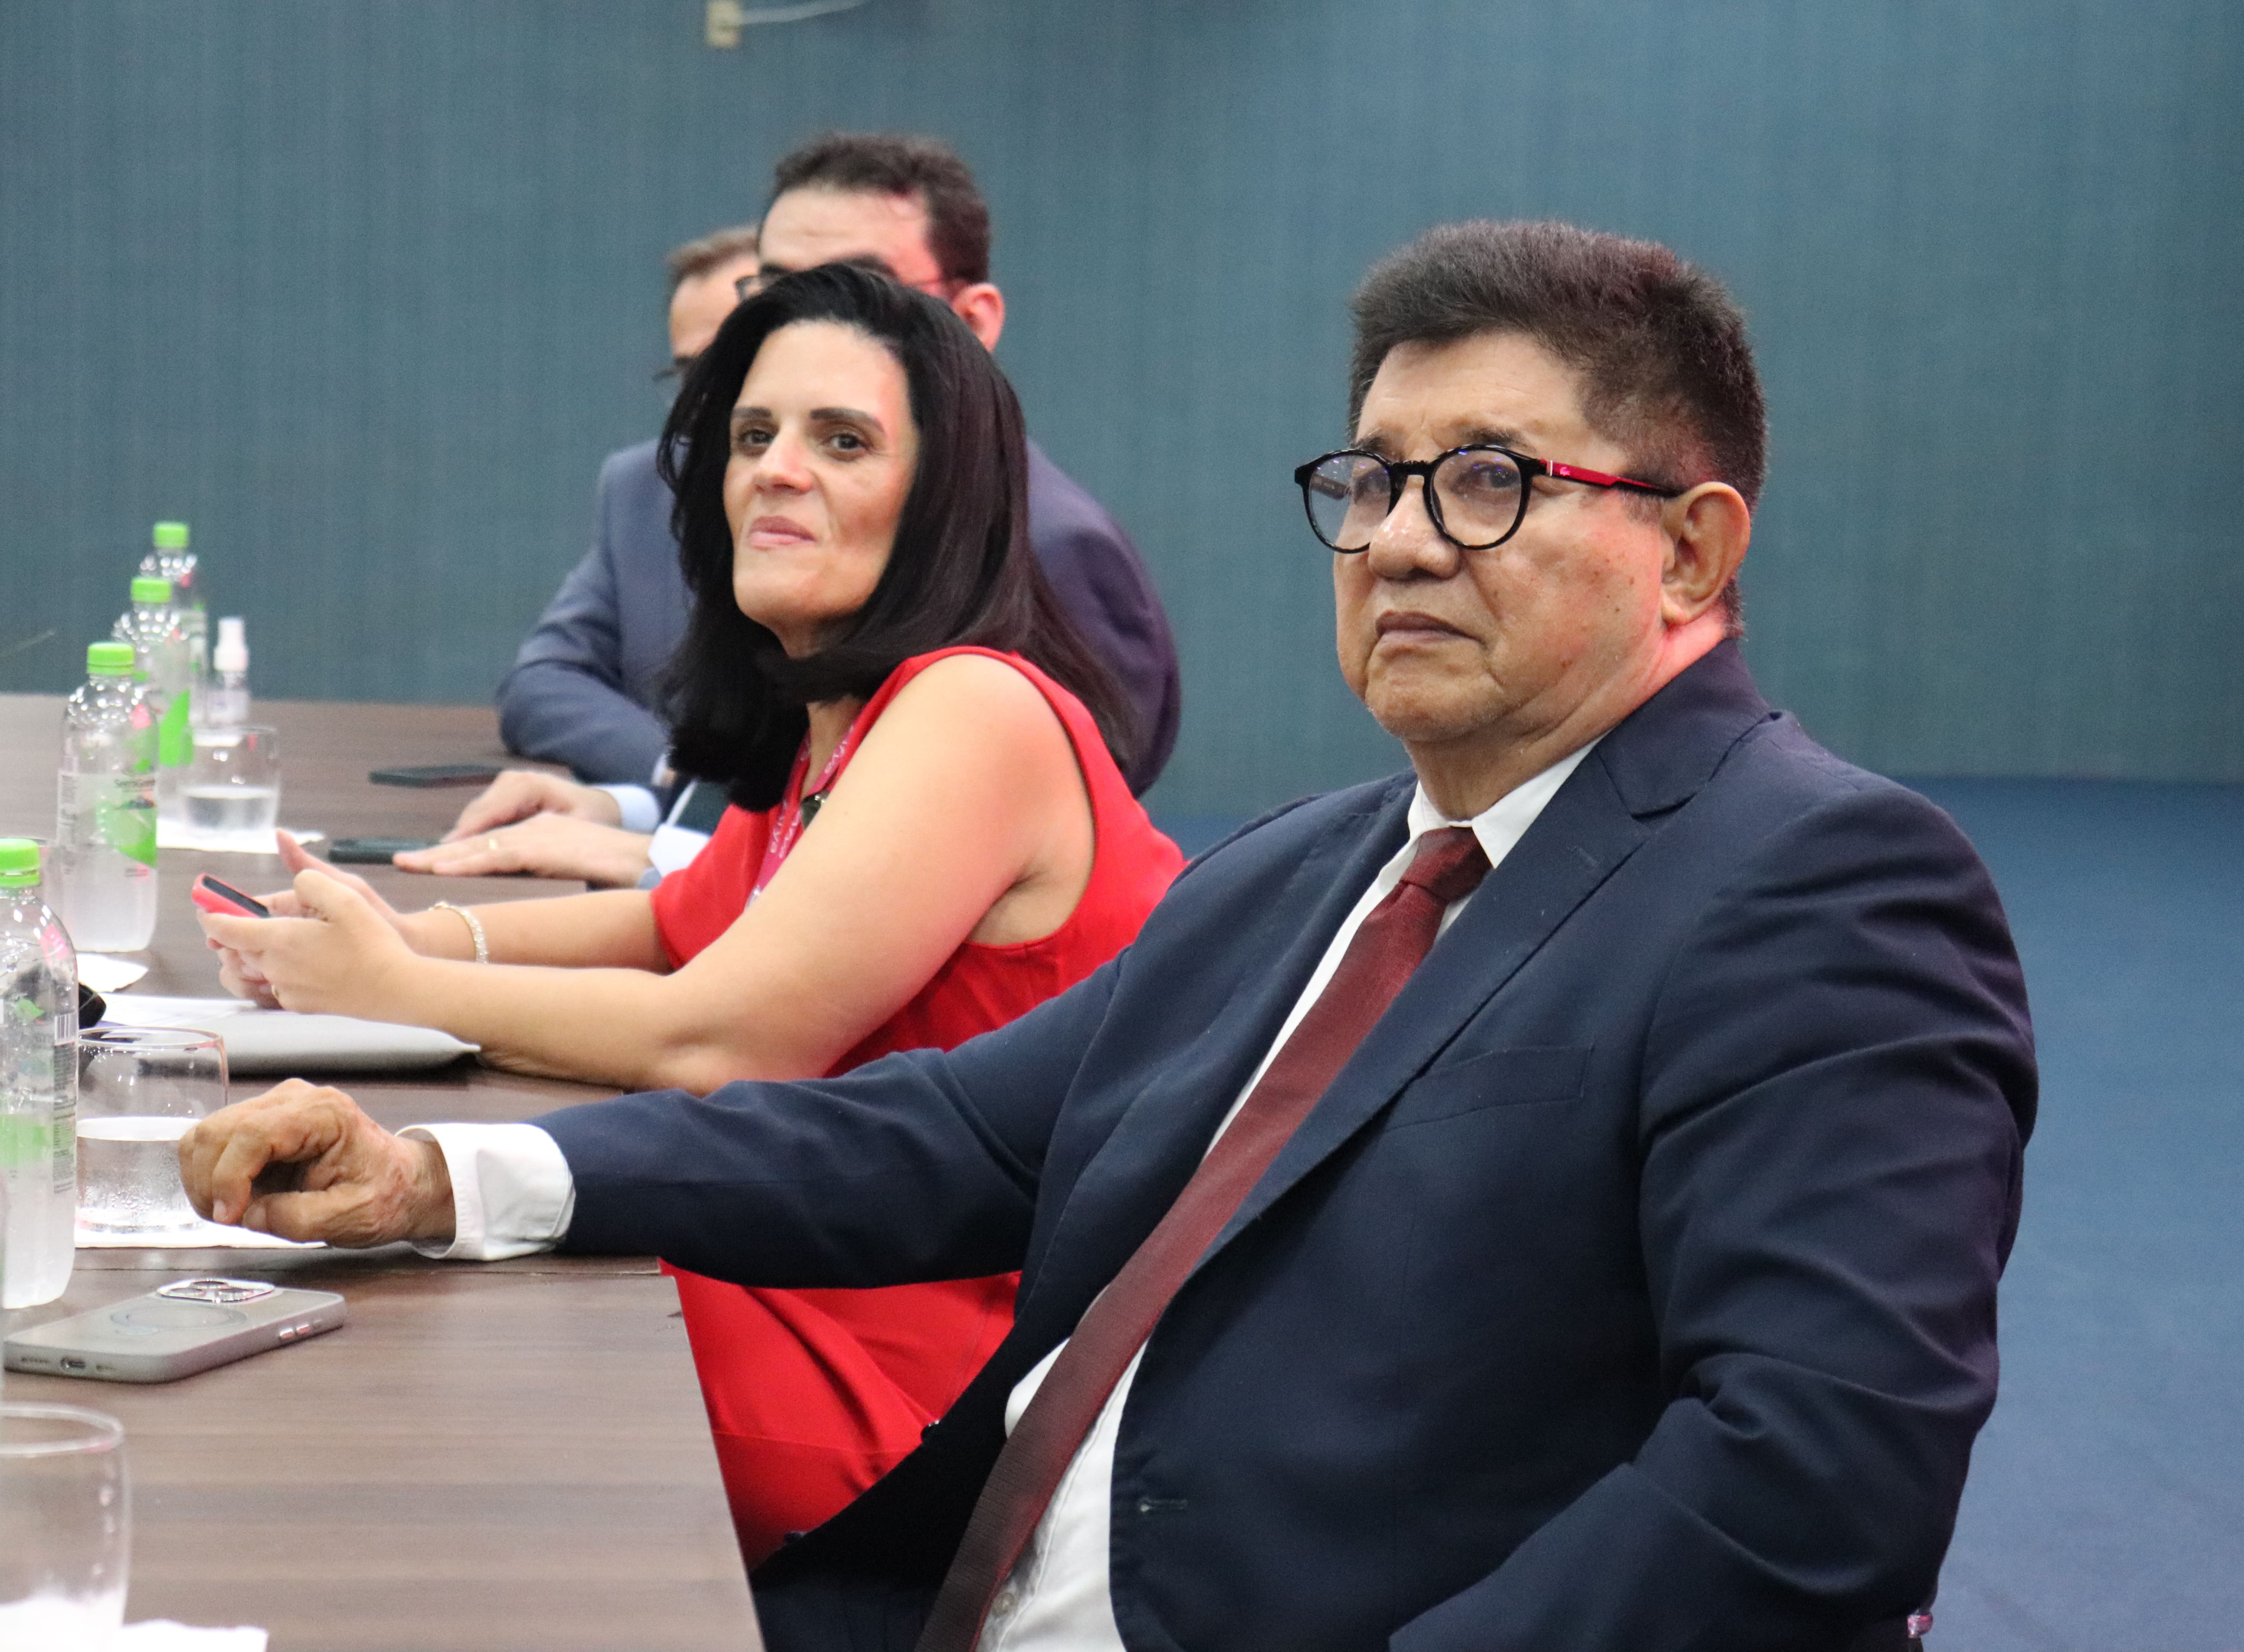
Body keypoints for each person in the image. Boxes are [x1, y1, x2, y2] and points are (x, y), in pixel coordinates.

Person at [183, 221, 2037, 1652]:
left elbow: (1812, 1476)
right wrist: (443, 1175)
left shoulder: (1819, 884)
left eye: (1490, 481)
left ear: (1694, 551)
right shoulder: (1310, 866)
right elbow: (950, 1136)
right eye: (1373, 480)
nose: (1400, 543)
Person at [201, 263, 1188, 1564]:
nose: (778, 470)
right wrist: (409, 936)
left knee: (375, 1352)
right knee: (365, 1319)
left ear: (944, 496)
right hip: (792, 1274)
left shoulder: (976, 708)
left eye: (843, 441)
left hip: (919, 1380)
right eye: (754, 435)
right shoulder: (839, 710)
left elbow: (719, 1039)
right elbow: (676, 924)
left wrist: (393, 989)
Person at [461, 131, 1182, 888]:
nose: (805, 322)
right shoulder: (732, 493)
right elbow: (779, 792)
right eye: (776, 289)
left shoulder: (1057, 547)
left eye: (856, 287)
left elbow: (989, 869)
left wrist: (663, 861)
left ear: (972, 322)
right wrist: (642, 816)